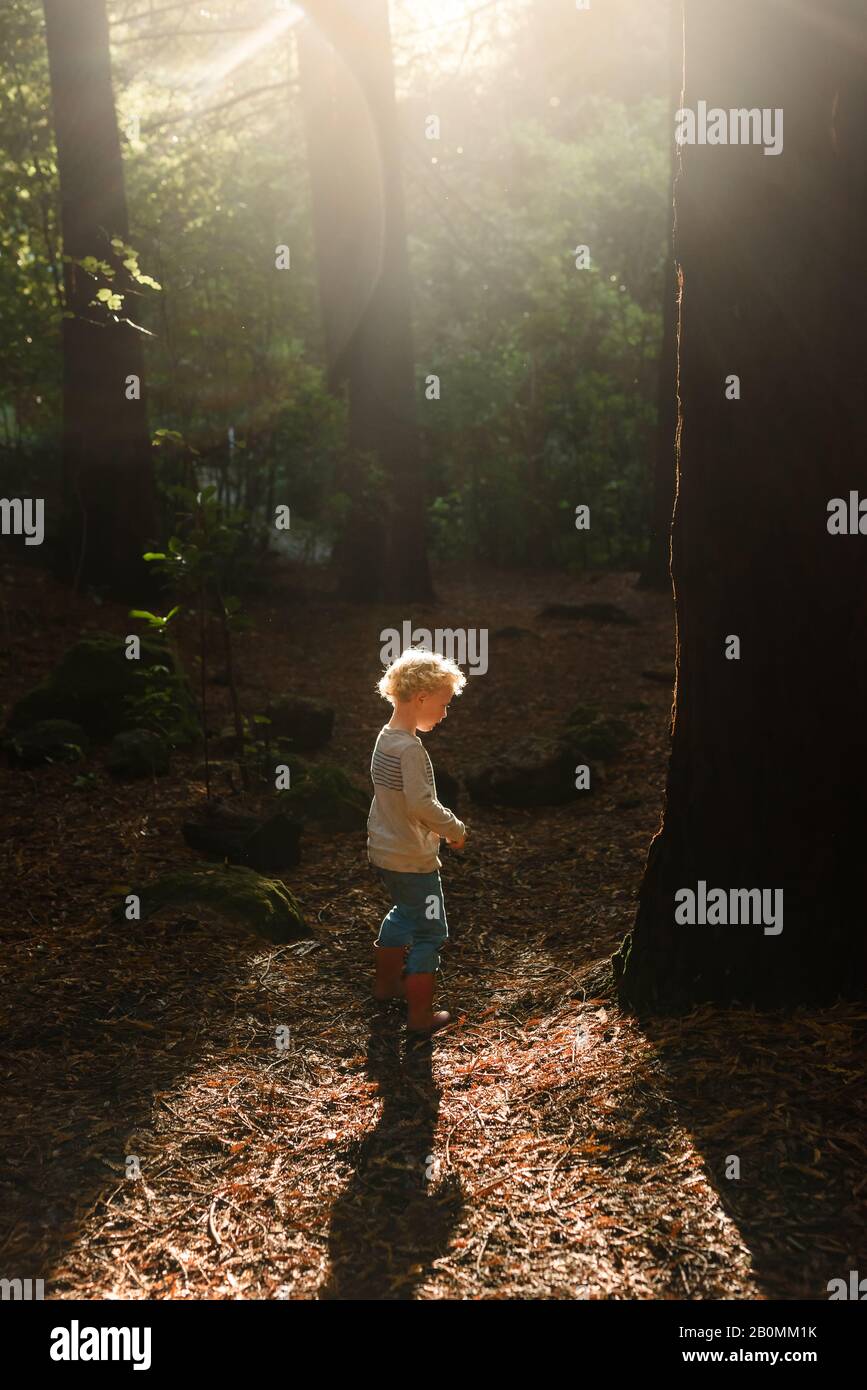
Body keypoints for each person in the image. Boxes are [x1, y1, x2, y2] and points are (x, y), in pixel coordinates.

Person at [367, 647, 467, 1036]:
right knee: (429, 931)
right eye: (442, 705)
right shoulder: (410, 750)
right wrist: (455, 830)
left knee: (403, 913)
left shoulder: (386, 738)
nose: (444, 714)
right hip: (412, 857)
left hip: (386, 851)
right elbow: (422, 804)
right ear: (421, 698)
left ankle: (386, 987)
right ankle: (420, 1018)